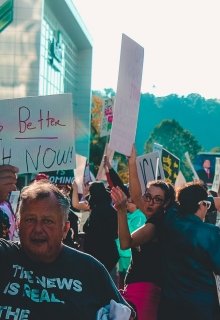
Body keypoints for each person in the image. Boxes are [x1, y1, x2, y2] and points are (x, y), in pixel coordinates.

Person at [0, 176, 135, 320]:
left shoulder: (89, 269)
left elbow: (128, 315)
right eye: (30, 220)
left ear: (65, 229)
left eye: (48, 221)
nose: (38, 229)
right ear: (19, 225)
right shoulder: (4, 255)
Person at [147, 182, 220, 320]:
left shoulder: (169, 221)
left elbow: (176, 206)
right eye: (207, 205)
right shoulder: (211, 233)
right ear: (202, 204)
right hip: (201, 307)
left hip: (170, 305)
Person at [83, 181, 119, 273]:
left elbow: (87, 228)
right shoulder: (112, 211)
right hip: (110, 252)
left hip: (95, 253)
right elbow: (115, 233)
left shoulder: (96, 212)